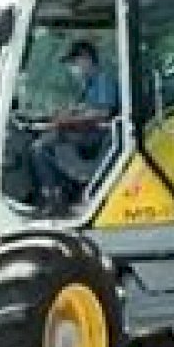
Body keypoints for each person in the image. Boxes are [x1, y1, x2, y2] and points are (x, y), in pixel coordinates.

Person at [30, 40, 120, 216]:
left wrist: (67, 122)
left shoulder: (103, 80)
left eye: (74, 62)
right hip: (89, 132)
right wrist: (65, 114)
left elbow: (102, 113)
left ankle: (54, 197)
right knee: (46, 137)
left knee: (40, 148)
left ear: (86, 59)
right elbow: (85, 108)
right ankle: (62, 193)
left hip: (99, 136)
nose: (73, 68)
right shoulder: (90, 84)